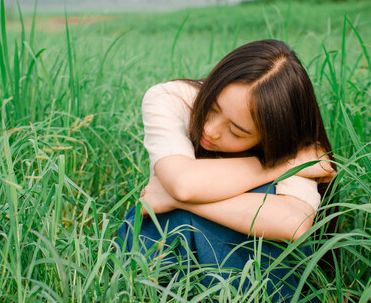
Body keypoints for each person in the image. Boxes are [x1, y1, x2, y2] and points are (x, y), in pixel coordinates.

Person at [117, 39, 335, 300]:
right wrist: (282, 166)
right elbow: (184, 183)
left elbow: (293, 222)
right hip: (163, 246)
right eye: (211, 107)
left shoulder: (293, 143)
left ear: (271, 137)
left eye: (236, 131)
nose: (210, 130)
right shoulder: (170, 99)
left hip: (246, 257)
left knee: (270, 213)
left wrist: (176, 200)